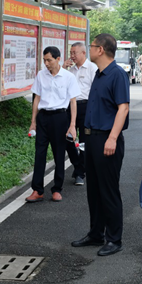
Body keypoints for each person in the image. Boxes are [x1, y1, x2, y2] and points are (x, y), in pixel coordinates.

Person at [71, 33, 130, 257]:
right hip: (92, 138)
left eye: (92, 46)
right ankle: (96, 233)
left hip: (107, 139)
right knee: (93, 189)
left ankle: (115, 239)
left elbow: (123, 108)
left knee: (108, 190)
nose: (89, 49)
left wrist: (113, 138)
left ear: (101, 50)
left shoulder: (117, 74)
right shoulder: (99, 73)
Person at [26, 46, 80, 203]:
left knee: (58, 154)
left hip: (60, 117)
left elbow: (73, 102)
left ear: (58, 59)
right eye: (44, 60)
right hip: (43, 118)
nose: (46, 63)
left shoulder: (68, 77)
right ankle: (37, 190)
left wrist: (72, 125)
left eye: (49, 60)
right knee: (40, 154)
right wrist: (33, 122)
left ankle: (57, 189)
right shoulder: (41, 75)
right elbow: (36, 99)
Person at [63, 42, 97, 185]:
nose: (72, 56)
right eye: (70, 53)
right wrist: (63, 68)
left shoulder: (92, 68)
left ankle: (80, 173)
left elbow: (96, 91)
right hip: (70, 107)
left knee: (83, 140)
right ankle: (77, 165)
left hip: (85, 106)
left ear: (83, 53)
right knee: (67, 138)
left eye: (74, 53)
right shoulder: (69, 70)